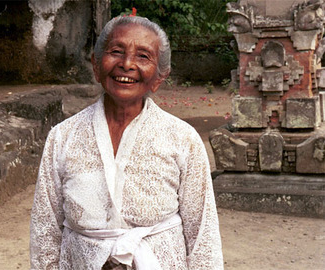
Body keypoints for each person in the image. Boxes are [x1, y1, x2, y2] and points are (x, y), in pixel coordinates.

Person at [30, 14, 223, 270]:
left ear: (159, 77)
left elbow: (203, 235)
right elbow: (45, 230)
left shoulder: (183, 139)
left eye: (143, 56)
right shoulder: (62, 136)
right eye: (116, 51)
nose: (127, 64)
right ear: (96, 65)